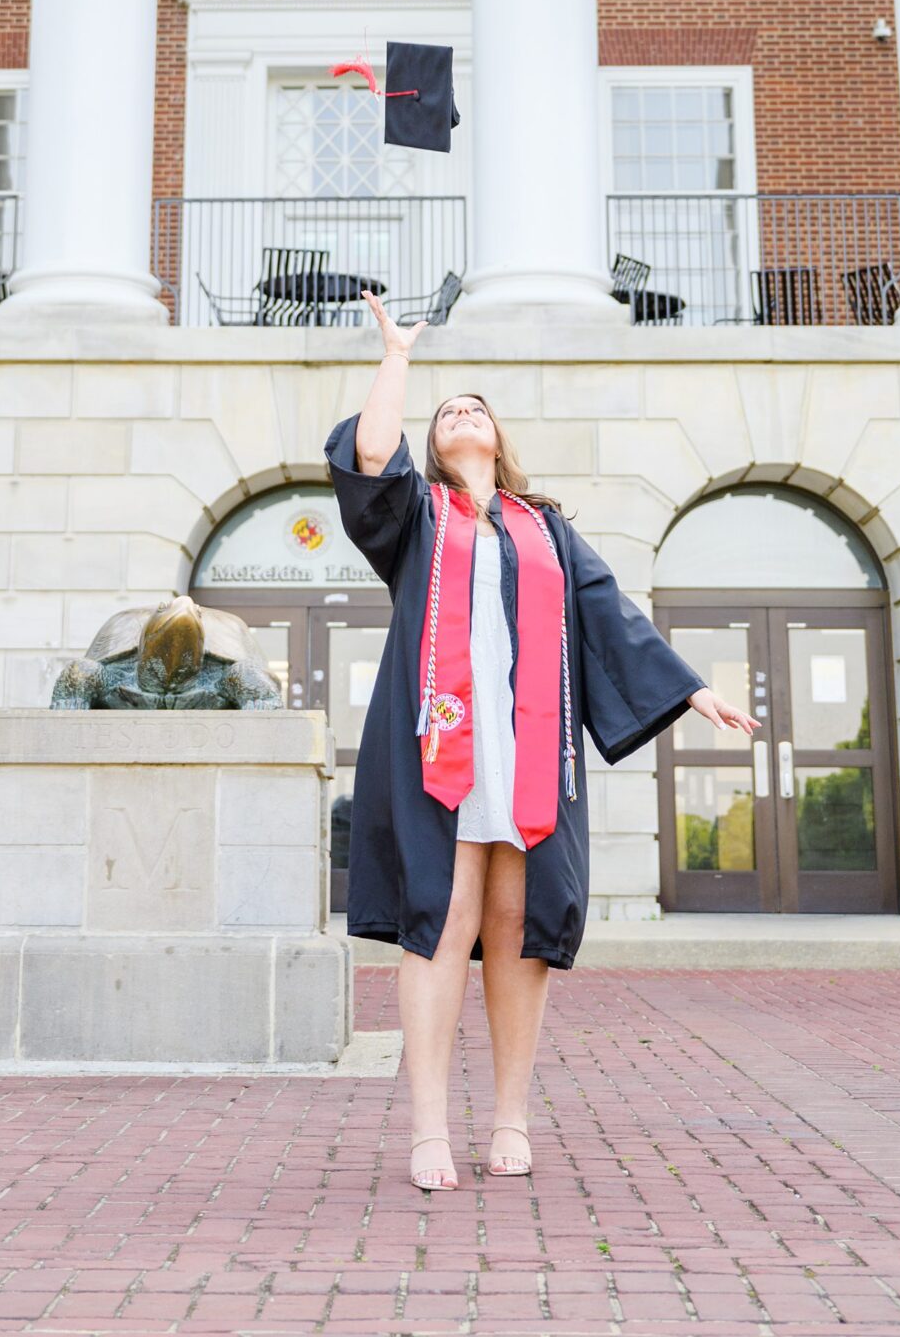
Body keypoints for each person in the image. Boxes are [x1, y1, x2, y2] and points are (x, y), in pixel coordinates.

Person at [327, 292, 761, 1194]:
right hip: (435, 749)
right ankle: (429, 1131)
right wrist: (396, 359)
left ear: (498, 435)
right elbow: (371, 454)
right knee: (438, 925)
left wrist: (692, 689)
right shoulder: (415, 518)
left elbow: (610, 616)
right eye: (447, 412)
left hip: (528, 757)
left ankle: (511, 1119)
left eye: (473, 406)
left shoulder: (545, 529)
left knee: (517, 931)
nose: (461, 414)